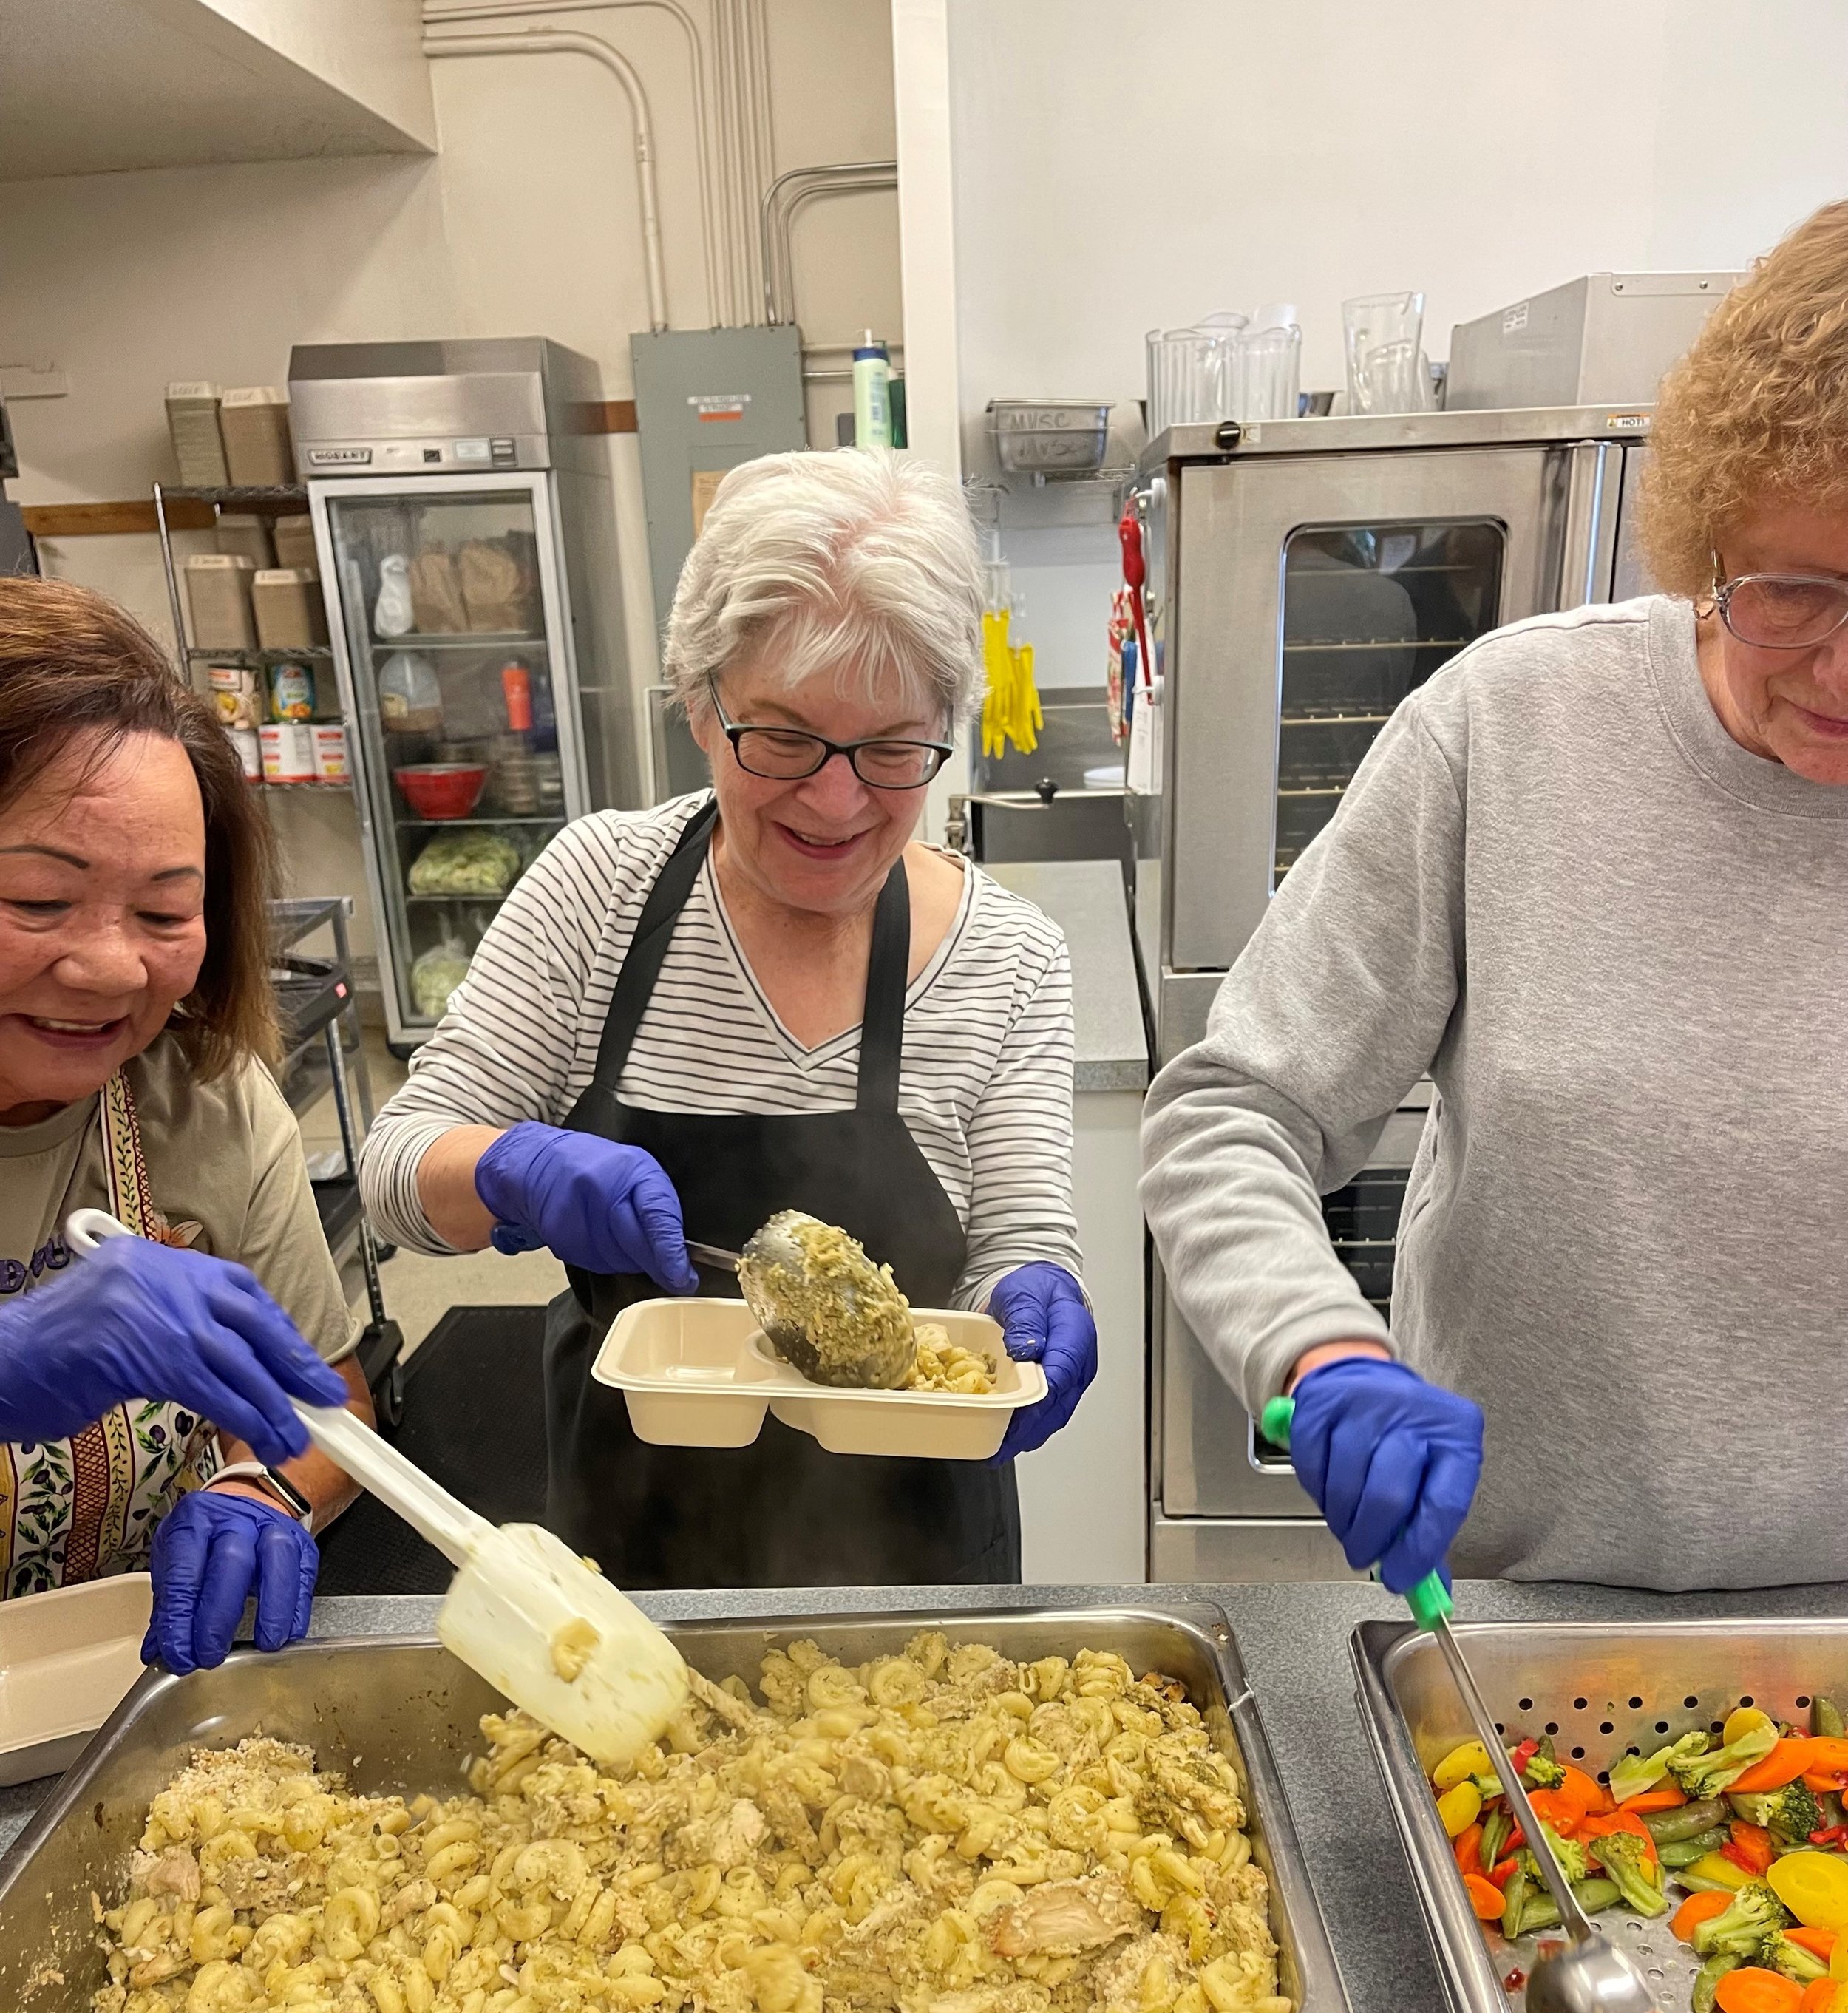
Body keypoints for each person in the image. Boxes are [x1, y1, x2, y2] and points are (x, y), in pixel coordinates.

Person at [1141, 200, 1848, 1595]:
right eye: (1793, 594)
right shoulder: (1514, 726)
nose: (1843, 673)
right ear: (1705, 552)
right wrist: (1321, 1346)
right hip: (1500, 1621)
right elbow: (1234, 1112)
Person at [359, 449, 1095, 1589]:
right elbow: (396, 1175)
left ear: (948, 725)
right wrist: (508, 1168)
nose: (837, 800)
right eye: (785, 738)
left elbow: (1017, 1249)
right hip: (638, 1550)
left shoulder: (1008, 956)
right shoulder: (597, 891)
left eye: (892, 748)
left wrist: (1029, 1308)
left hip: (922, 1568)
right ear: (698, 702)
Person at [0, 578, 372, 1669]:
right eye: (36, 900)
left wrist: (266, 1487)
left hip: (122, 1695)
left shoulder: (202, 1095)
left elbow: (331, 1404)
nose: (113, 967)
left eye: (164, 913)